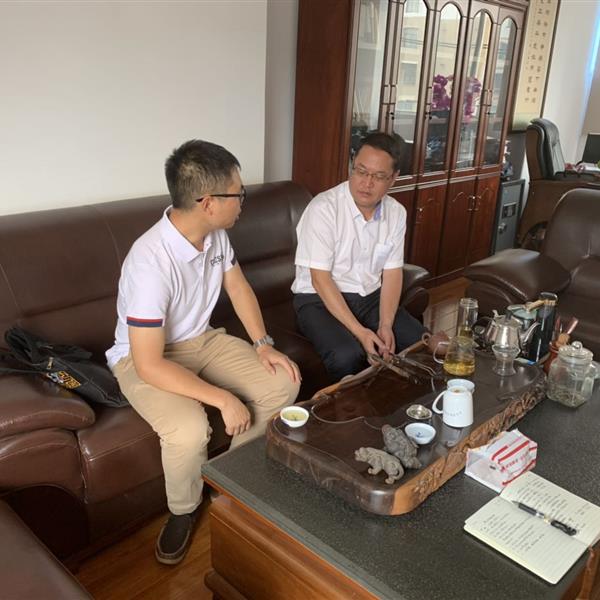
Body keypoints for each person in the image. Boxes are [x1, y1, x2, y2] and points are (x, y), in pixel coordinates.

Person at [106, 140, 300, 565]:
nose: (243, 200)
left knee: (282, 381)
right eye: (238, 193)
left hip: (201, 340)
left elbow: (238, 286)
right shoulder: (150, 262)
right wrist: (223, 398)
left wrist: (263, 344)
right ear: (208, 203)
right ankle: (184, 509)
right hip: (144, 357)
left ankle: (230, 479)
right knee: (189, 429)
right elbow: (149, 363)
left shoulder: (215, 236)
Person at [292, 131, 427, 381]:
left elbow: (392, 272)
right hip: (317, 299)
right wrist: (360, 332)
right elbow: (320, 279)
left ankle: (399, 402)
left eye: (378, 176)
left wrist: (385, 324)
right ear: (351, 167)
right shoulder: (324, 209)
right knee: (347, 355)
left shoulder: (396, 213)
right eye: (361, 171)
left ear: (393, 178)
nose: (366, 183)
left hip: (369, 297)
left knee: (418, 343)